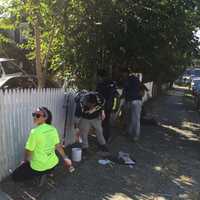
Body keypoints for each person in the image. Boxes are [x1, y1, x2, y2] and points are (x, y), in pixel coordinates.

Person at [12, 107, 73, 182]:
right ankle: (49, 172)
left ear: (45, 118)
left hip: (39, 167)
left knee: (15, 176)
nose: (34, 117)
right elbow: (58, 146)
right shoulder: (53, 129)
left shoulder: (35, 132)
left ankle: (39, 175)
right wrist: (65, 158)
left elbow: (29, 150)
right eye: (33, 114)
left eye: (37, 115)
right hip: (53, 164)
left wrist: (25, 161)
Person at [96, 69, 119, 142]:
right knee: (106, 122)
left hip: (102, 106)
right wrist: (116, 107)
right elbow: (116, 95)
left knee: (101, 122)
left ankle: (102, 138)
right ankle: (106, 138)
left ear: (100, 76)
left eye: (98, 77)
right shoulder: (112, 83)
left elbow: (97, 95)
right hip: (109, 106)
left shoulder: (100, 85)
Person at [121, 69, 142, 141]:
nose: (122, 75)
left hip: (133, 101)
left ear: (126, 73)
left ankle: (136, 135)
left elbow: (124, 91)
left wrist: (121, 99)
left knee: (134, 119)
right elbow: (142, 88)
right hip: (134, 100)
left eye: (123, 73)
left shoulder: (127, 80)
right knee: (130, 118)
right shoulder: (135, 79)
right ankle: (129, 132)